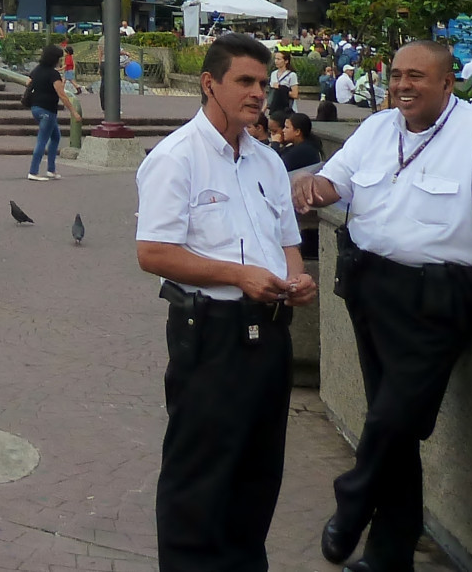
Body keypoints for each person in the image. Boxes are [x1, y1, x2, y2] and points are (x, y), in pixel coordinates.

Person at [294, 40, 472, 572]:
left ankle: (352, 496)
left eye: (417, 77)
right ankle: (388, 558)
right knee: (396, 430)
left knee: (391, 416)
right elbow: (336, 182)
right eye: (397, 74)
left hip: (436, 297)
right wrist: (314, 187)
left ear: (447, 83)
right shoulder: (379, 128)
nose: (402, 85)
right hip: (367, 284)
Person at [134, 32, 315, 572]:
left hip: (271, 332)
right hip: (209, 333)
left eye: (262, 82)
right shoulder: (176, 158)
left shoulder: (267, 162)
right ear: (209, 83)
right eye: (244, 81)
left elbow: (289, 243)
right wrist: (238, 276)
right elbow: (153, 252)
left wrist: (298, 279)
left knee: (259, 473)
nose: (258, 93)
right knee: (200, 476)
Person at [23, 43, 76, 181]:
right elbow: (62, 94)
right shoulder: (53, 74)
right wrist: (74, 112)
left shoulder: (37, 70)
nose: (60, 61)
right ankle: (33, 171)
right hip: (47, 110)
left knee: (55, 137)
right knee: (42, 139)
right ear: (54, 59)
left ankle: (51, 170)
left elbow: (28, 82)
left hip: (35, 107)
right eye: (59, 58)